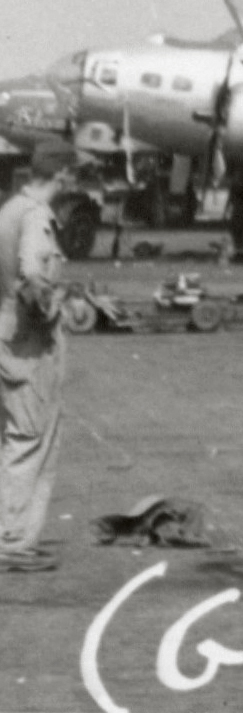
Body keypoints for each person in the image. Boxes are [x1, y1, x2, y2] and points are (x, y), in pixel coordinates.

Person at [0, 158, 72, 571]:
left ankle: (16, 534)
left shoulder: (9, 209)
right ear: (61, 174)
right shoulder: (35, 216)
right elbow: (32, 272)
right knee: (29, 436)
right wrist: (48, 310)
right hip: (26, 342)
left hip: (5, 332)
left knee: (13, 434)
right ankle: (12, 541)